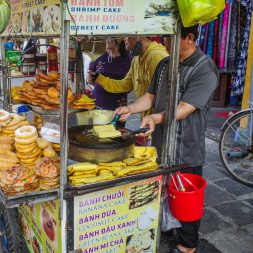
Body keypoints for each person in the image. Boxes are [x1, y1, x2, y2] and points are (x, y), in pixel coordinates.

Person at [114, 25, 219, 253]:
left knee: (186, 198)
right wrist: (130, 108)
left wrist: (155, 118)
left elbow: (185, 108)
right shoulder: (164, 64)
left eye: (173, 37)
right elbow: (150, 96)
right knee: (163, 193)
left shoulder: (205, 69)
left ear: (190, 38)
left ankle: (187, 245)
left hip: (185, 146)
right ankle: (167, 230)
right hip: (161, 144)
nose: (167, 42)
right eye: (165, 37)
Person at [90, 36, 168, 117]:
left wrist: (131, 109)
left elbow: (159, 97)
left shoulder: (155, 56)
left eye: (127, 35)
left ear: (138, 36)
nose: (124, 39)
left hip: (159, 119)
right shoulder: (136, 59)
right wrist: (98, 78)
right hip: (148, 118)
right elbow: (124, 85)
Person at [87, 37, 133, 110]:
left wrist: (117, 90)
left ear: (119, 39)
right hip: (98, 103)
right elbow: (90, 80)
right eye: (106, 36)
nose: (107, 39)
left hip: (119, 106)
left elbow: (130, 85)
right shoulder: (98, 56)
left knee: (117, 120)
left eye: (111, 37)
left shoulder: (129, 59)